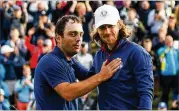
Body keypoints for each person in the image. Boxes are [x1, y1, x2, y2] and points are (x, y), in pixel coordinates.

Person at [34, 15, 121, 110]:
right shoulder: (49, 61)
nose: (79, 39)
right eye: (73, 34)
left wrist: (106, 48)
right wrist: (101, 76)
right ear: (58, 38)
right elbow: (68, 93)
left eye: (81, 34)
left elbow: (91, 77)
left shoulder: (70, 61)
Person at [90, 4, 154, 110]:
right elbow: (88, 78)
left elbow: (146, 92)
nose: (107, 31)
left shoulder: (136, 52)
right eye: (102, 27)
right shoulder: (99, 55)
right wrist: (68, 59)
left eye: (111, 26)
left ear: (119, 25)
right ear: (97, 30)